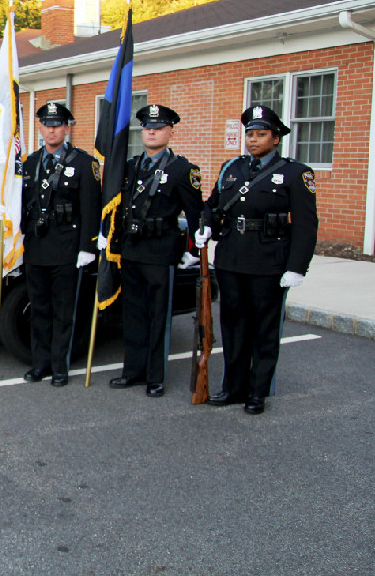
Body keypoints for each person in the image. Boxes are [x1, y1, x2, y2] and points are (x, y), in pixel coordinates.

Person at [196, 105, 318, 414]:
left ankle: (257, 392)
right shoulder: (231, 168)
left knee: (264, 330)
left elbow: (305, 224)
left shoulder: (295, 173)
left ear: (276, 138)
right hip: (231, 259)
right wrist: (206, 225)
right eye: (250, 134)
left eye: (261, 134)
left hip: (269, 261)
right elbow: (212, 204)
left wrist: (296, 267)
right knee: (234, 327)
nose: (253, 140)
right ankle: (234, 388)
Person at [108, 105, 203, 397]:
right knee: (134, 315)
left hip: (161, 252)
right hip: (133, 250)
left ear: (170, 132)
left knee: (158, 315)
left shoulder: (183, 170)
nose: (151, 131)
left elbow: (197, 214)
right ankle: (133, 371)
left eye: (159, 127)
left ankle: (155, 376)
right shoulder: (129, 166)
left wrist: (197, 249)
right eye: (147, 127)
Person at [20, 102, 101, 386]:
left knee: (63, 312)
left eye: (57, 125)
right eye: (46, 124)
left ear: (67, 128)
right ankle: (39, 364)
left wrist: (88, 248)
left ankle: (60, 367)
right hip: (36, 248)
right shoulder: (28, 163)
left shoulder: (83, 163)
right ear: (40, 128)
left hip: (68, 250)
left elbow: (91, 208)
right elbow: (22, 206)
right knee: (38, 309)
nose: (51, 130)